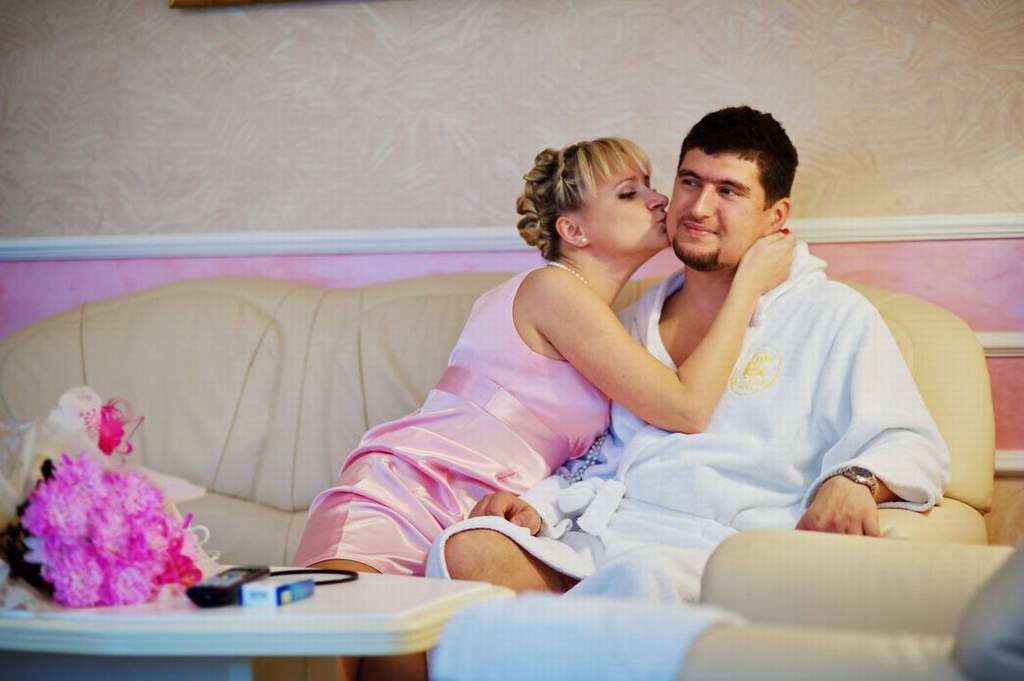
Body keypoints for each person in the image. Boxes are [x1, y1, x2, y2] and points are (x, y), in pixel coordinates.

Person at [429, 106, 951, 603]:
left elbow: (909, 440)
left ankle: (561, 632)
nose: (699, 208)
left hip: (712, 555)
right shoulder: (633, 322)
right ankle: (577, 628)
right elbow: (600, 457)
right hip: (599, 543)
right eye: (690, 182)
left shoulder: (830, 315)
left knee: (644, 576)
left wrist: (856, 479)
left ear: (775, 216)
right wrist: (538, 507)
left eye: (729, 191)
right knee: (468, 548)